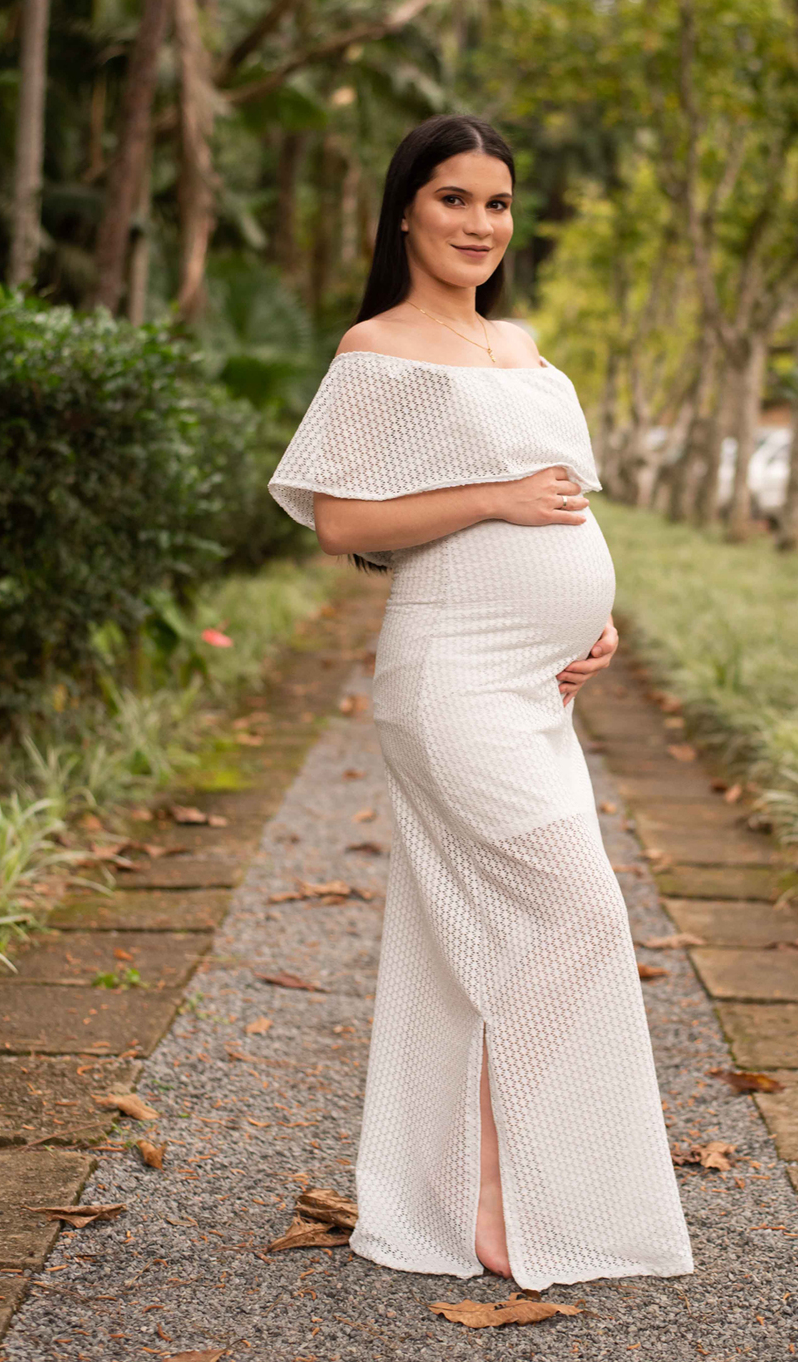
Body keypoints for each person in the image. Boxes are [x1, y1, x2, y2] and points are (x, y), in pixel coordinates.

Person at [268, 113, 694, 1291]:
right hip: (450, 679)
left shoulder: (525, 343)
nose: (478, 224)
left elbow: (570, 502)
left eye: (497, 204)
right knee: (576, 916)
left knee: (484, 937)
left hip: (539, 687)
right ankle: (504, 1190)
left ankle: (467, 1190)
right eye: (454, 198)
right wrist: (494, 499)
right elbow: (347, 523)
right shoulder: (379, 349)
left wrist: (591, 617)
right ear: (407, 208)